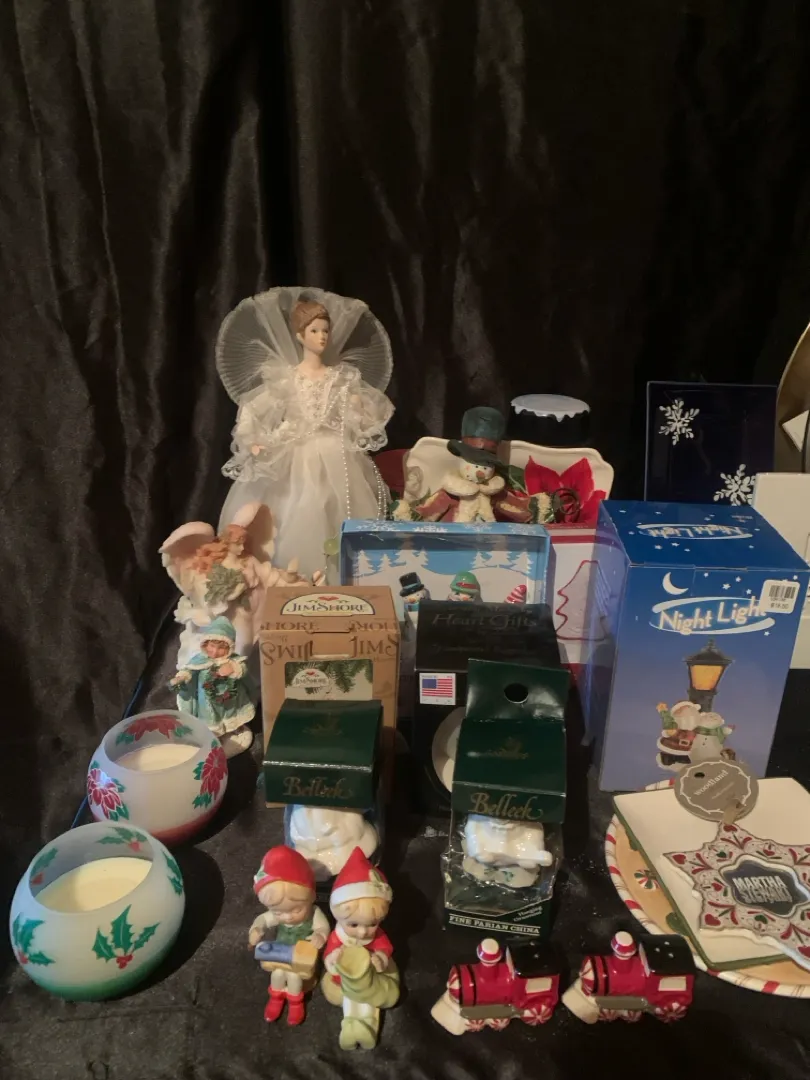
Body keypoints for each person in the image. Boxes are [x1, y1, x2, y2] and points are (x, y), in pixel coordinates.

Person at [217, 289, 394, 579]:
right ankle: (289, 579)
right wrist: (254, 441)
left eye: (325, 330)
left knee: (334, 507)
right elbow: (254, 409)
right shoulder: (285, 377)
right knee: (295, 510)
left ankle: (337, 577)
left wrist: (357, 409)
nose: (321, 337)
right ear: (300, 335)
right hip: (293, 454)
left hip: (335, 454)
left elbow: (362, 416)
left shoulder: (341, 377)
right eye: (314, 330)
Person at [248, 846, 329, 1026]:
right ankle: (276, 998)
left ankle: (295, 1002)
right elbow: (263, 919)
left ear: (311, 897)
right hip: (281, 956)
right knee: (277, 974)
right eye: (278, 912)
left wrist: (320, 935)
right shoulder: (278, 916)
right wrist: (257, 929)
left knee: (294, 977)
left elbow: (323, 927)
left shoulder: (313, 913)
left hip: (303, 960)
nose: (287, 917)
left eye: (296, 910)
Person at [169, 616, 255, 756]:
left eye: (221, 648)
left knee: (232, 714)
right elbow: (190, 670)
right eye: (212, 646)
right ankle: (215, 737)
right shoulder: (199, 660)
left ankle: (233, 729)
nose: (215, 652)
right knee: (211, 720)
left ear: (229, 647)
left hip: (231, 699)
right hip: (207, 701)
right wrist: (182, 677)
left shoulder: (233, 660)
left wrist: (233, 668)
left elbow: (243, 669)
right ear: (205, 644)